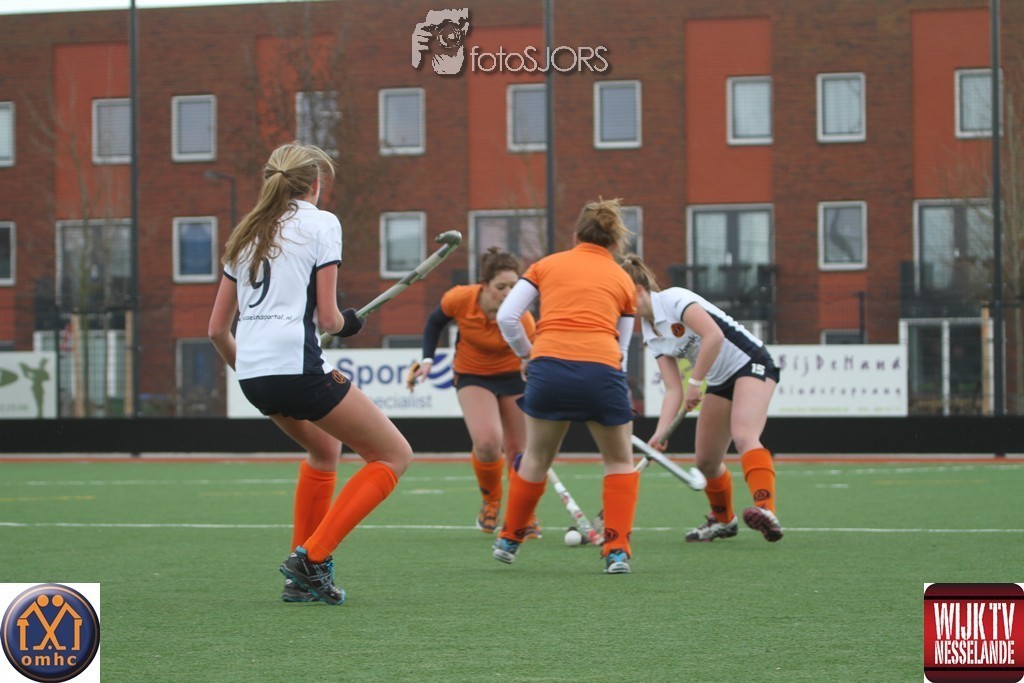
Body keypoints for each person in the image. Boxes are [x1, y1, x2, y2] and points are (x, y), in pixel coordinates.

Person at [208, 142, 412, 605]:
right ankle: (312, 559)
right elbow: (329, 318)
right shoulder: (323, 223)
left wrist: (253, 370)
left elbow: (217, 330)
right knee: (393, 454)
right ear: (315, 185)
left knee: (324, 449)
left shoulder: (246, 233)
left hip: (252, 375)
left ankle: (298, 578)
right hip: (296, 367)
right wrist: (350, 323)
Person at [493, 197, 639, 574]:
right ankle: (617, 551)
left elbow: (507, 316)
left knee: (537, 457)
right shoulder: (624, 279)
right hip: (602, 372)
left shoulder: (546, 265)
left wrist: (528, 355)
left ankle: (510, 538)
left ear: (575, 236)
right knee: (619, 461)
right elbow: (622, 349)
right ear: (614, 242)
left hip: (549, 369)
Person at [620, 254, 783, 543]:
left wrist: (695, 382)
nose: (622, 305)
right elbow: (673, 389)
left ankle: (765, 510)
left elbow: (714, 336)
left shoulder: (674, 300)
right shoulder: (650, 332)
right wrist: (660, 433)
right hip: (719, 379)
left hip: (750, 361)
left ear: (640, 289)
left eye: (624, 295)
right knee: (707, 461)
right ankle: (723, 521)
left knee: (744, 435)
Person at [407, 247, 541, 538]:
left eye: (514, 286)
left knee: (520, 451)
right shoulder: (460, 299)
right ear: (484, 285)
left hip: (514, 378)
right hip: (473, 374)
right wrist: (427, 359)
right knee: (488, 442)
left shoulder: (524, 319)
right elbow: (435, 322)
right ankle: (491, 502)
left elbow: (533, 357)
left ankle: (523, 514)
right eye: (501, 287)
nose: (508, 294)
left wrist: (532, 367)